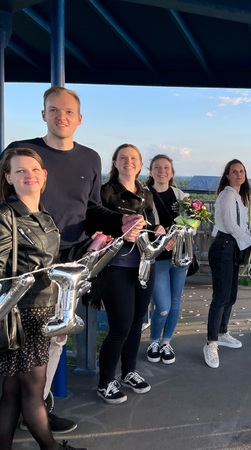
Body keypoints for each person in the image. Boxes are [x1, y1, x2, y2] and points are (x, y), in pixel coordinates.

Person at [5, 86, 139, 432]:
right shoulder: (23, 152)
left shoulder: (90, 158)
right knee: (15, 341)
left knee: (56, 338)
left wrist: (121, 220)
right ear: (43, 114)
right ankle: (20, 410)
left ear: (79, 119)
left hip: (71, 263)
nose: (60, 117)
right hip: (26, 262)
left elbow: (92, 208)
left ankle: (35, 409)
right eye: (53, 110)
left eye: (68, 112)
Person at [0, 148, 85, 450]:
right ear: (8, 177)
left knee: (12, 392)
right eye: (20, 170)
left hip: (43, 310)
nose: (29, 175)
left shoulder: (43, 215)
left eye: (34, 169)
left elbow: (49, 262)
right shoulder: (6, 216)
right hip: (23, 315)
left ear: (44, 175)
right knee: (33, 395)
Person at [96, 144, 164, 404]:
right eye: (123, 157)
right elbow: (95, 225)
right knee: (120, 326)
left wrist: (158, 230)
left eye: (133, 158)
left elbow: (152, 224)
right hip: (116, 266)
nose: (128, 162)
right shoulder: (105, 192)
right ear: (115, 162)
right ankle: (105, 382)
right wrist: (121, 231)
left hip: (145, 265)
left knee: (136, 323)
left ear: (140, 164)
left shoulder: (146, 193)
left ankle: (128, 372)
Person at [204, 160, 251, 368]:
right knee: (221, 297)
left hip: (231, 248)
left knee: (230, 295)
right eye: (235, 171)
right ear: (228, 175)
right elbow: (230, 225)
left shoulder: (238, 196)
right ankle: (211, 343)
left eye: (242, 171)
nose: (239, 174)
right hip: (223, 247)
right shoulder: (228, 195)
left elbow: (239, 225)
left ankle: (222, 332)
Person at [145, 154, 188, 365]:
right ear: (150, 171)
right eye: (157, 167)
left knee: (175, 302)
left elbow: (190, 225)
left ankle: (166, 341)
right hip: (157, 257)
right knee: (163, 306)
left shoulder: (181, 196)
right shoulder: (144, 196)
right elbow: (142, 225)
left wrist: (176, 238)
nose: (162, 171)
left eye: (166, 168)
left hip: (179, 256)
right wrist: (160, 239)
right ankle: (154, 340)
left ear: (171, 172)